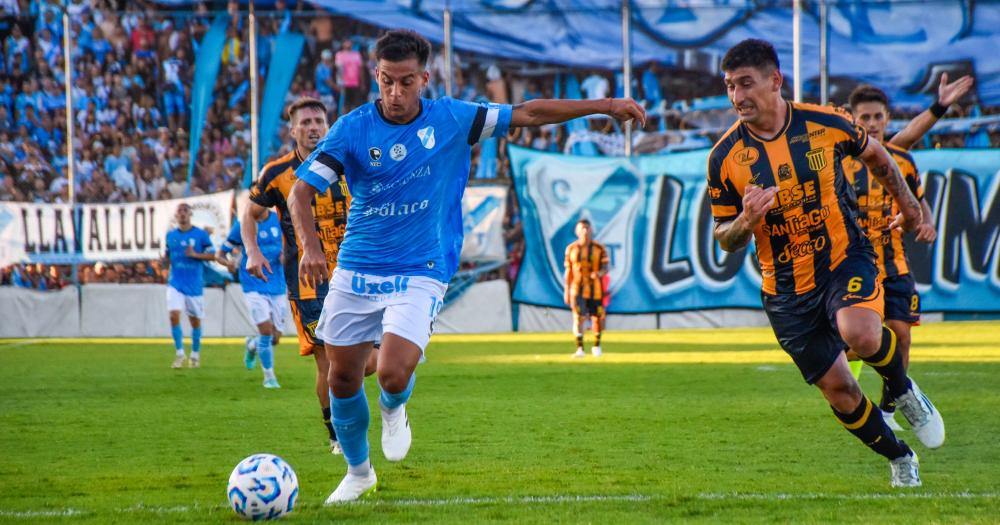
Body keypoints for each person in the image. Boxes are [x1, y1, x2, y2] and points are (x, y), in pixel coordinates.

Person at [288, 29, 645, 503]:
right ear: (375, 76)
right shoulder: (352, 128)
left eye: (407, 82)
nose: (396, 94)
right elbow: (300, 192)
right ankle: (358, 473)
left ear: (425, 78)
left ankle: (395, 407)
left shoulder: (454, 118)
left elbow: (530, 113)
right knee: (341, 378)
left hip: (421, 267)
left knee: (392, 374)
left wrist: (605, 105)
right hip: (357, 268)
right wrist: (311, 247)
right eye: (387, 82)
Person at [706, 39, 944, 488]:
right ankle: (900, 456)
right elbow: (725, 239)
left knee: (861, 332)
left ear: (775, 81)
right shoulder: (723, 158)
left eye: (746, 84)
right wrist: (746, 219)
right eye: (729, 86)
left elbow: (878, 155)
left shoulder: (827, 123)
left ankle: (904, 389)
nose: (737, 96)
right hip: (786, 291)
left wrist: (910, 206)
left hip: (842, 257)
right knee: (840, 390)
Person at [244, 97, 376, 454]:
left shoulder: (350, 162)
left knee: (369, 365)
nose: (313, 127)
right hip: (308, 283)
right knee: (329, 360)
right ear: (293, 130)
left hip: (356, 273)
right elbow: (250, 212)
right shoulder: (277, 173)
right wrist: (252, 250)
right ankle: (336, 434)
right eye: (306, 122)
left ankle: (348, 416)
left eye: (319, 120)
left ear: (329, 125)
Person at [843, 78, 971, 428]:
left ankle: (887, 411)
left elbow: (917, 201)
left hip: (895, 263)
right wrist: (939, 106)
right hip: (855, 265)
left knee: (901, 336)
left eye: (877, 117)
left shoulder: (900, 159)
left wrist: (924, 223)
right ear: (853, 120)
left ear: (886, 119)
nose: (871, 124)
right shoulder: (841, 160)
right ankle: (835, 360)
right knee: (862, 339)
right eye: (864, 118)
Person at [217, 208, 287, 389]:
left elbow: (291, 246)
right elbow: (220, 254)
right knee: (266, 331)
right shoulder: (242, 224)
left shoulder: (279, 219)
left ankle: (251, 345)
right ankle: (269, 377)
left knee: (275, 338)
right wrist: (228, 263)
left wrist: (286, 256)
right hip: (252, 283)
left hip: (277, 284)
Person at [164, 202, 215, 369]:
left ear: (190, 214)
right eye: (179, 211)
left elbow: (213, 255)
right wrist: (162, 262)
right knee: (173, 315)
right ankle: (179, 353)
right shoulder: (170, 236)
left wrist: (195, 254)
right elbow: (167, 256)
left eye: (185, 211)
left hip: (194, 284)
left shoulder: (201, 235)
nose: (183, 214)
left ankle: (195, 354)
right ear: (176, 215)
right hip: (175, 283)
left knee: (195, 322)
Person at [563, 218, 609, 358]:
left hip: (595, 289)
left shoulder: (599, 248)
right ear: (577, 231)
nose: (585, 231)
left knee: (597, 318)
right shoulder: (571, 249)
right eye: (581, 228)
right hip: (577, 289)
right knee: (578, 317)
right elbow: (569, 271)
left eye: (587, 228)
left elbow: (605, 267)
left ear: (591, 230)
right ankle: (580, 349)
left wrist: (599, 273)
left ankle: (596, 346)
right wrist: (566, 289)